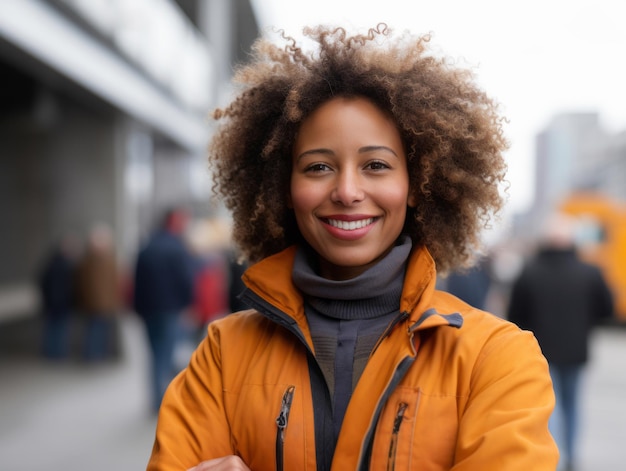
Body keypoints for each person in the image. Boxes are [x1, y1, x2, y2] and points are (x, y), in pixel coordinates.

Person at [147, 24, 558, 470]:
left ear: (416, 185)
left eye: (376, 165)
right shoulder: (222, 355)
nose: (346, 191)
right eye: (319, 166)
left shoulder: (495, 359)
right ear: (284, 187)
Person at [507, 212, 614, 471]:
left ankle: (552, 459)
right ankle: (571, 455)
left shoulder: (530, 271)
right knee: (573, 404)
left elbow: (514, 315)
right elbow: (607, 309)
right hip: (576, 350)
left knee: (548, 406)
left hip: (540, 351)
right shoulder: (589, 272)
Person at [133, 207, 195, 412]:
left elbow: (136, 282)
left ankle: (156, 399)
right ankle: (162, 401)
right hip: (170, 310)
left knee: (155, 355)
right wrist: (188, 305)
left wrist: (138, 309)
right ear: (173, 222)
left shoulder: (147, 246)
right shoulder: (177, 248)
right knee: (166, 354)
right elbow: (186, 280)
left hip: (149, 311)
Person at [74, 223, 121, 362]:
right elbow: (86, 285)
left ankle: (99, 356)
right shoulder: (89, 261)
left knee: (102, 333)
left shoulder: (108, 260)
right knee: (93, 332)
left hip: (106, 304)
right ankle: (92, 356)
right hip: (94, 304)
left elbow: (114, 282)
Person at [37, 232, 80, 359]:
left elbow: (42, 281)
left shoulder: (53, 263)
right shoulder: (66, 265)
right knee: (58, 330)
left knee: (55, 329)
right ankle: (56, 354)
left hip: (56, 302)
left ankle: (53, 353)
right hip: (60, 302)